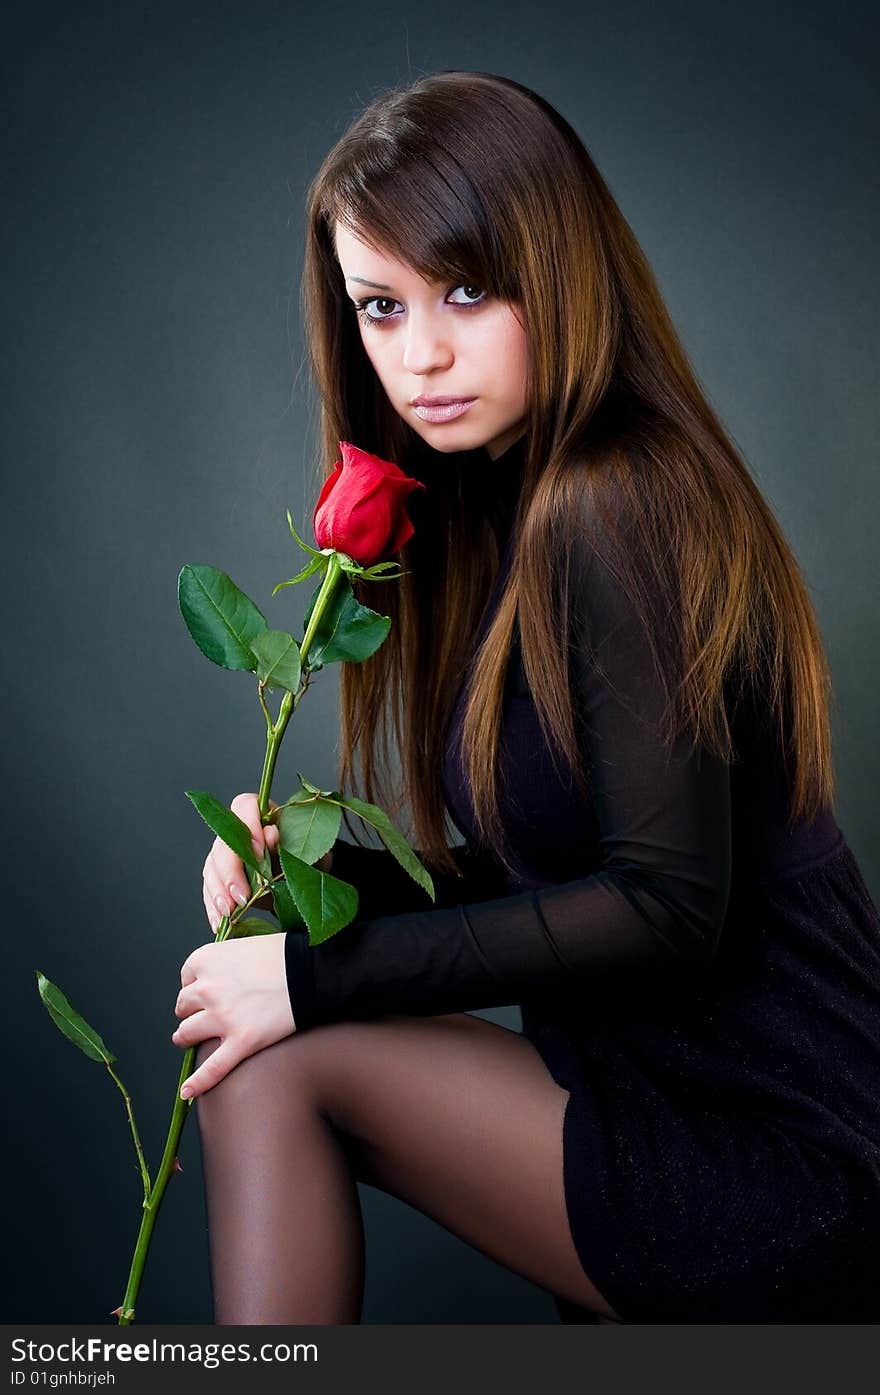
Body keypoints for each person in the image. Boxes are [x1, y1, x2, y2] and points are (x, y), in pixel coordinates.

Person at [172, 70, 880, 1325]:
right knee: (260, 1044)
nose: (420, 354)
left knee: (266, 1068)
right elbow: (547, 867)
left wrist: (312, 985)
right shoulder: (506, 506)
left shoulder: (618, 497)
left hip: (779, 1155)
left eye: (465, 290)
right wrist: (309, 899)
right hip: (647, 1101)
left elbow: (668, 909)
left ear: (556, 266)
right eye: (379, 308)